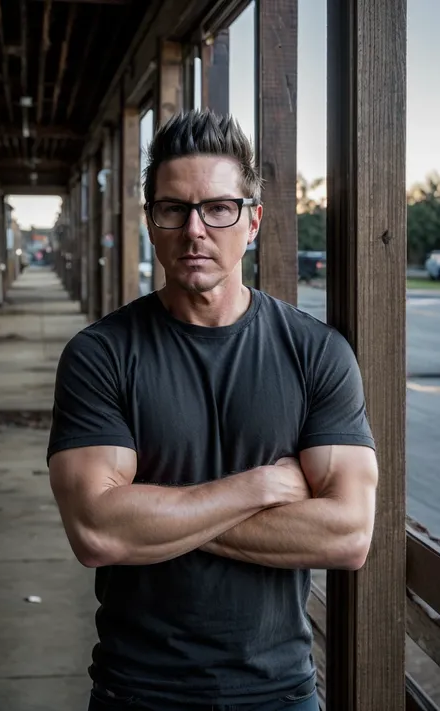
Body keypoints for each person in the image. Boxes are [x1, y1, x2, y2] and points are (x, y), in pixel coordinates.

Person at [47, 109, 378, 711]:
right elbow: (97, 532)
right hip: (137, 690)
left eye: (218, 208)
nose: (195, 229)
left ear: (252, 221)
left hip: (281, 691)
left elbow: (349, 534)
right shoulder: (101, 355)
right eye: (174, 209)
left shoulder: (315, 352)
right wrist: (260, 486)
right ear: (151, 223)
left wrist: (153, 514)